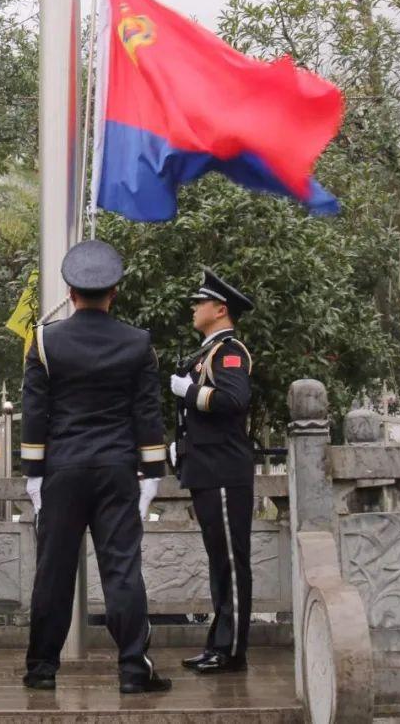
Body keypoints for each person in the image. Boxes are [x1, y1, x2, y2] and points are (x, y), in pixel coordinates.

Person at [21, 239, 172, 695]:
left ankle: (42, 668)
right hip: (116, 469)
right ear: (114, 293)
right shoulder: (138, 342)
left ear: (69, 291)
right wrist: (151, 473)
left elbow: (35, 413)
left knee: (54, 569)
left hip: (62, 470)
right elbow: (147, 414)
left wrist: (33, 474)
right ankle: (132, 668)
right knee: (122, 569)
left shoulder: (45, 341)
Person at [169, 267, 255, 674]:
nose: (194, 308)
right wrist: (179, 448)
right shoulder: (207, 353)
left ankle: (232, 650)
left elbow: (233, 401)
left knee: (230, 564)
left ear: (220, 310)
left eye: (200, 302)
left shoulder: (229, 351)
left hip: (223, 471)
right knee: (219, 561)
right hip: (207, 469)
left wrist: (190, 392)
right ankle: (218, 644)